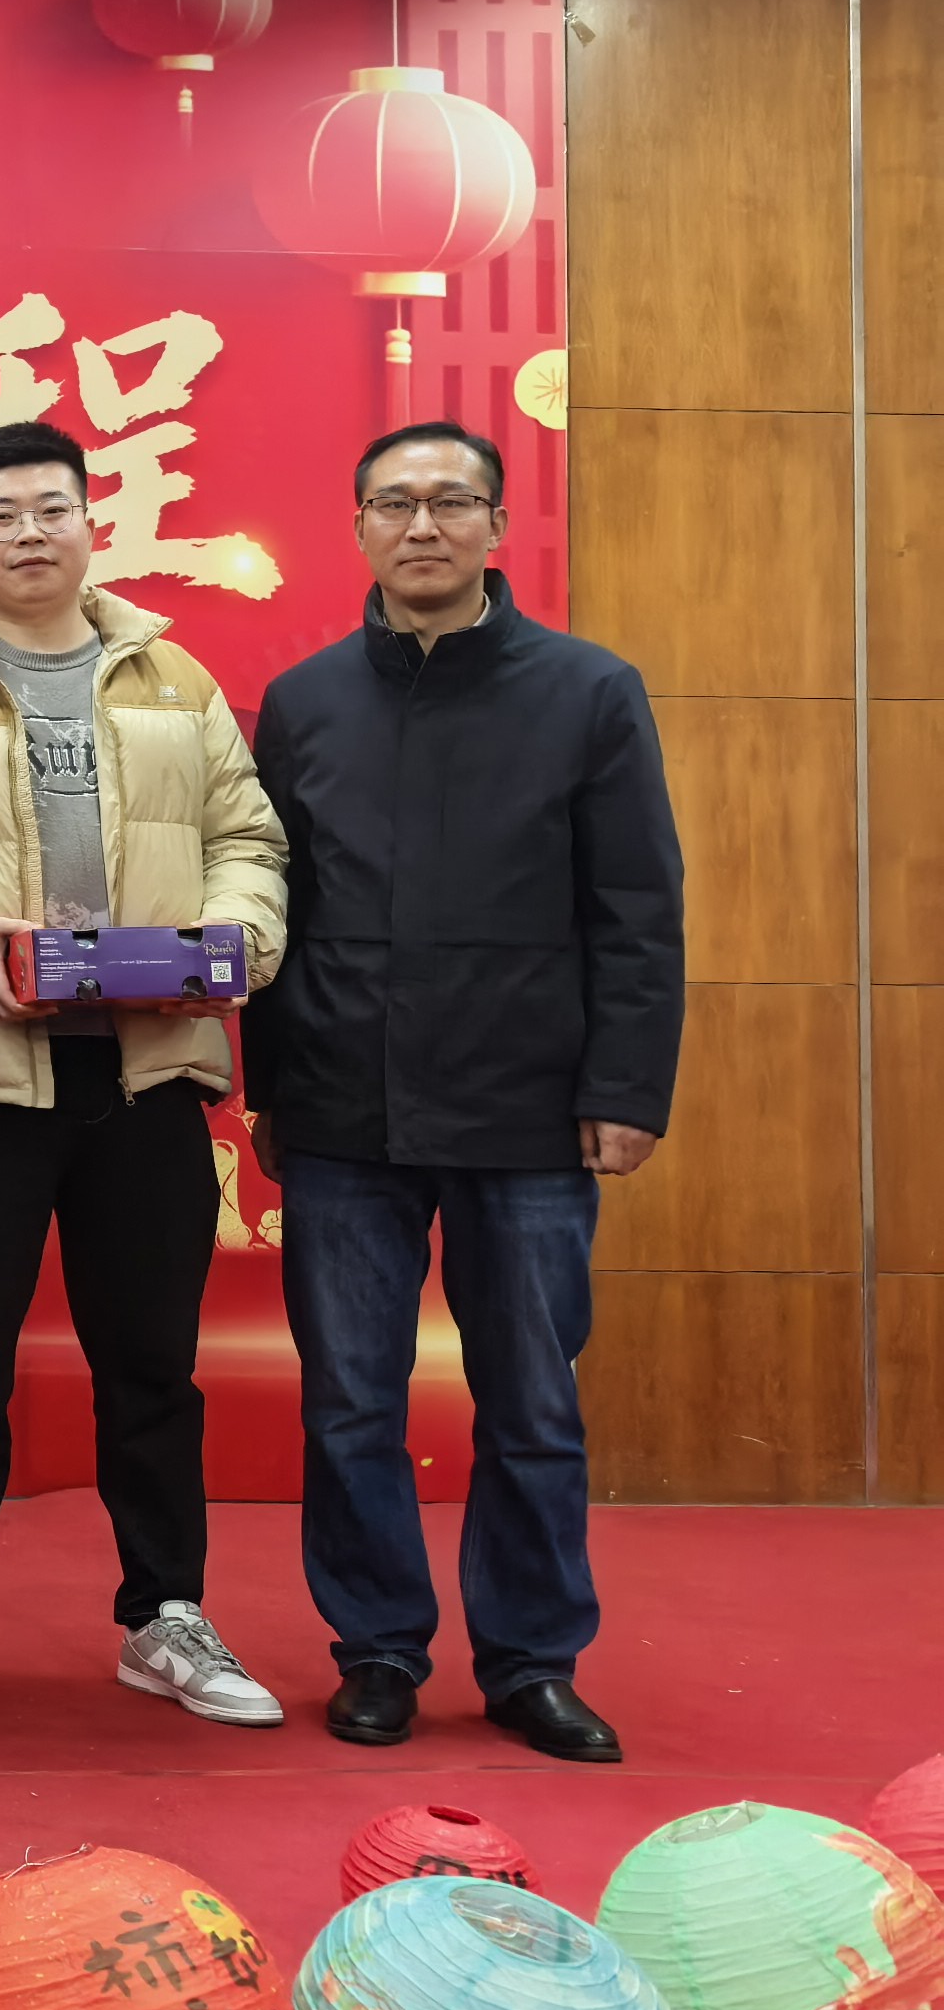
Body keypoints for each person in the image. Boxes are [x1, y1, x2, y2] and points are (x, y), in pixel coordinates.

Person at [0, 420, 290, 1729]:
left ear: (92, 523)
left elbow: (247, 839)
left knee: (154, 1363)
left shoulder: (174, 679)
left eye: (52, 509)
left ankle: (165, 1614)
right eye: (2, 514)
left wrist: (228, 943)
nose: (30, 533)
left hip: (150, 1072)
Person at [249, 423, 682, 1766]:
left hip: (528, 1110)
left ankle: (531, 1661)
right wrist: (272, 1087)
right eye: (394, 502)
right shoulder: (303, 701)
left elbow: (638, 907)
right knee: (349, 1404)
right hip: (343, 1108)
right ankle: (377, 1650)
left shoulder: (589, 692)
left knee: (531, 1404)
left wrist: (626, 1086)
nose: (422, 525)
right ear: (359, 527)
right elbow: (272, 901)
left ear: (496, 525)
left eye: (451, 502)